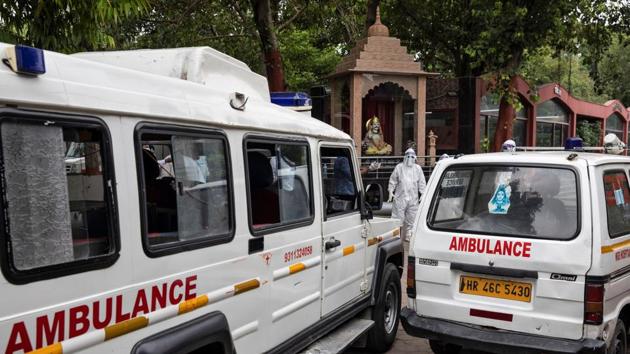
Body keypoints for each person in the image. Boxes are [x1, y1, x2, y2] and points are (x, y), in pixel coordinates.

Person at [388, 148, 426, 241]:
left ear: (415, 157)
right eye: (408, 156)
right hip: (400, 196)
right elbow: (393, 180)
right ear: (405, 157)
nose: (410, 158)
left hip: (413, 197)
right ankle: (395, 234)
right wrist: (390, 191)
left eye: (412, 156)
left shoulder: (418, 168)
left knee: (412, 216)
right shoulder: (399, 167)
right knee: (397, 217)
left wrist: (423, 194)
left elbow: (422, 183)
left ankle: (409, 234)